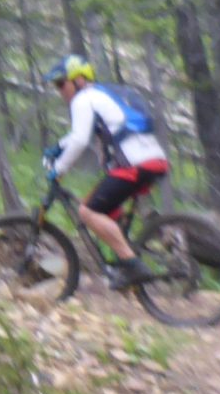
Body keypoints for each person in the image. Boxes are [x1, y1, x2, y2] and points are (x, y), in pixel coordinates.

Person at [44, 54, 170, 287]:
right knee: (104, 207)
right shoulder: (104, 94)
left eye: (62, 83)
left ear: (79, 80)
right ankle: (125, 263)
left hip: (134, 165)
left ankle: (132, 264)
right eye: (56, 86)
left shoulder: (84, 99)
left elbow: (81, 140)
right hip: (154, 159)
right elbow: (82, 135)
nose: (60, 90)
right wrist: (58, 147)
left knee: (88, 212)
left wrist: (58, 169)